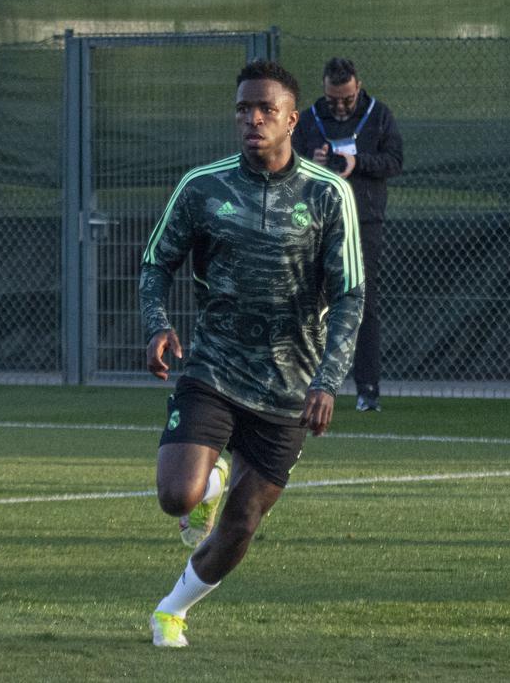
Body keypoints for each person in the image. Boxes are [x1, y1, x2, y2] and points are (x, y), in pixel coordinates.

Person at [139, 60, 364, 648]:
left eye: (266, 108)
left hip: (290, 384)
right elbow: (157, 262)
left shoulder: (327, 193)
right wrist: (158, 324)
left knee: (241, 525)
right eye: (244, 108)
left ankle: (171, 611)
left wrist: (327, 379)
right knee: (176, 495)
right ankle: (205, 482)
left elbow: (349, 294)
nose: (253, 117)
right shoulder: (202, 187)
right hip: (213, 365)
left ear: (293, 117)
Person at [293, 57, 403, 412]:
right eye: (333, 99)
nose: (339, 106)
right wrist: (315, 161)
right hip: (317, 220)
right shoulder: (309, 118)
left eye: (347, 99)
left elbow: (395, 160)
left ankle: (367, 388)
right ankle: (304, 382)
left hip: (364, 222)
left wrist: (359, 162)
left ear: (358, 87)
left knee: (362, 304)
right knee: (309, 302)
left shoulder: (379, 115)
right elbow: (289, 160)